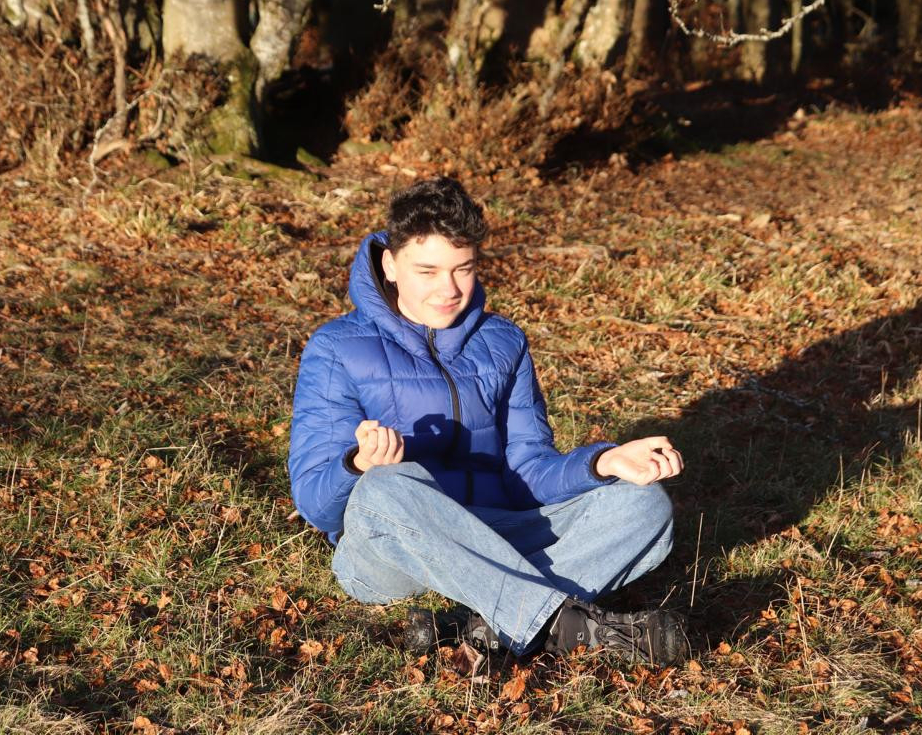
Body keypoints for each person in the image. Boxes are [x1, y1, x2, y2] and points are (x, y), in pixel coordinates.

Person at [288, 177, 688, 664]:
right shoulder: (336, 348)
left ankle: (474, 623)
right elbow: (317, 507)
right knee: (386, 486)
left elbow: (528, 473)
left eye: (463, 269)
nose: (448, 289)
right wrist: (357, 465)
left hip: (498, 533)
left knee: (644, 505)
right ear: (390, 265)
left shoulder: (503, 341)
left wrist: (602, 463)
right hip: (395, 553)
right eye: (428, 271)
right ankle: (563, 626)